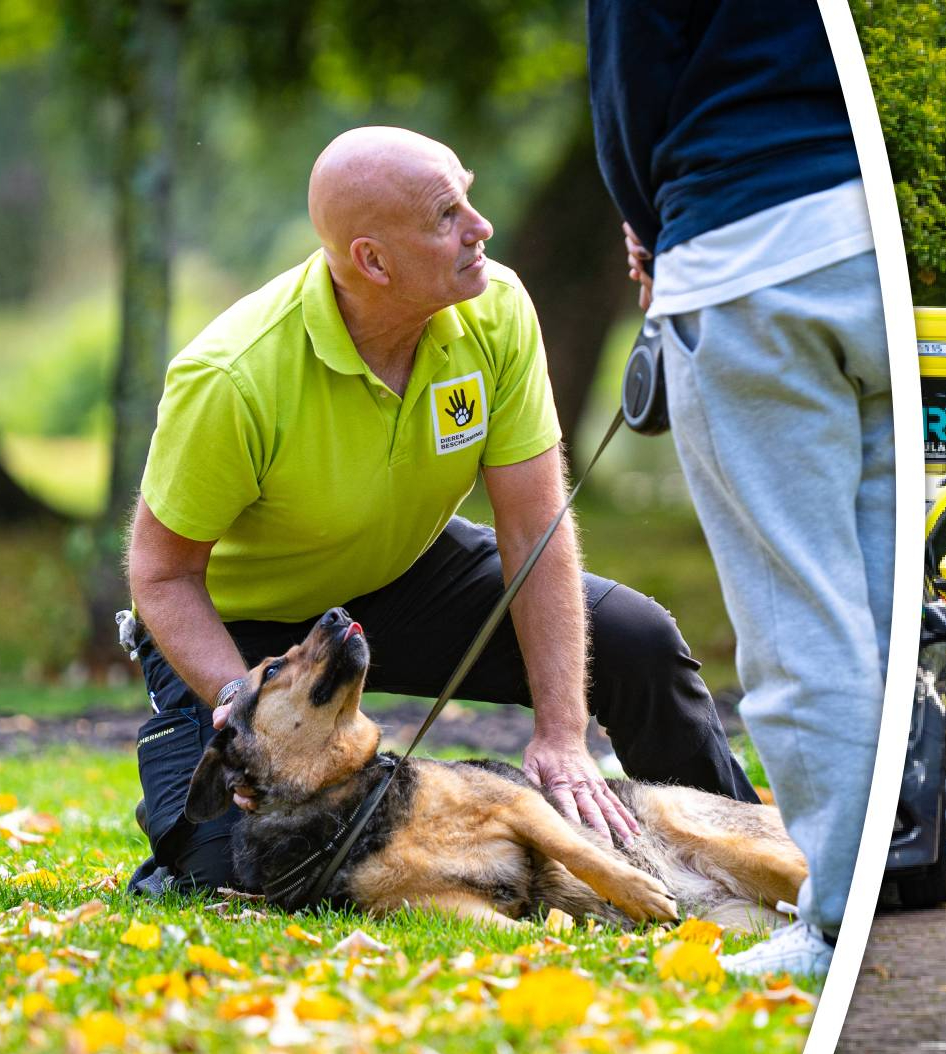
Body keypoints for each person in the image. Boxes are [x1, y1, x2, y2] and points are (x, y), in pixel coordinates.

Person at [121, 127, 758, 898]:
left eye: (470, 197)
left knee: (637, 643)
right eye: (446, 215)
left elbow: (535, 528)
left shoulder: (496, 308)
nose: (479, 226)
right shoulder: (232, 376)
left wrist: (561, 733)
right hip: (248, 626)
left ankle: (753, 848)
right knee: (232, 876)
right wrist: (243, 700)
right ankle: (177, 824)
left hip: (403, 567)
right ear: (373, 261)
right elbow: (160, 575)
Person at [588, 0, 889, 975]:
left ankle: (838, 922)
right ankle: (903, 874)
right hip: (875, 236)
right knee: (883, 615)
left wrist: (650, 217)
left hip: (749, 238)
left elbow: (631, 70)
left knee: (800, 615)